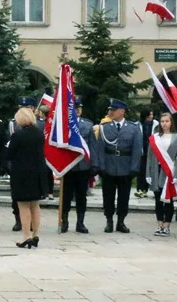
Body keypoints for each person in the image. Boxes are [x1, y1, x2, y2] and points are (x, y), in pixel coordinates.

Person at [91, 98, 142, 234]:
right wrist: (100, 166)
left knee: (124, 196)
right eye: (110, 110)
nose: (110, 112)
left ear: (122, 111)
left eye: (113, 110)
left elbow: (137, 150)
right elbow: (99, 148)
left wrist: (134, 168)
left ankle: (121, 221)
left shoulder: (133, 128)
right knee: (108, 195)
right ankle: (109, 220)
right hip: (109, 165)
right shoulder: (105, 127)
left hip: (125, 166)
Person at [4, 107, 49, 248]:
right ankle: (35, 234)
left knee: (23, 206)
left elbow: (9, 155)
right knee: (35, 205)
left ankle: (26, 236)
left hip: (22, 174)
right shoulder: (39, 133)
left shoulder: (18, 135)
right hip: (37, 173)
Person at [60, 98, 95, 234]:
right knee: (66, 196)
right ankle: (64, 221)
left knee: (81, 196)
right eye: (75, 108)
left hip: (83, 166)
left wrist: (94, 164)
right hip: (68, 166)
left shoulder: (87, 125)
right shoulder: (63, 125)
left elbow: (92, 145)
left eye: (79, 108)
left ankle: (80, 222)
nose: (78, 110)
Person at [146, 112, 177, 237]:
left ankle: (167, 226)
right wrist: (148, 173)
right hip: (156, 171)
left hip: (169, 172)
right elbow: (150, 157)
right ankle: (159, 224)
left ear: (171, 122)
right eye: (162, 121)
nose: (164, 124)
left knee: (168, 200)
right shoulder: (155, 137)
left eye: (167, 121)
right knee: (158, 200)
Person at [5, 96, 37, 231]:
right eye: (21, 108)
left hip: (33, 165)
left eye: (27, 108)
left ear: (33, 109)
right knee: (17, 196)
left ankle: (31, 225)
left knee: (33, 198)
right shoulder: (13, 124)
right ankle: (18, 219)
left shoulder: (39, 125)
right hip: (17, 165)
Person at [135, 107, 156, 197]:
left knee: (149, 170)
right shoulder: (138, 124)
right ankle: (140, 189)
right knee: (141, 170)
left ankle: (146, 189)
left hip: (152, 151)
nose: (151, 116)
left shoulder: (156, 124)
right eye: (150, 114)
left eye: (152, 114)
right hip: (141, 150)